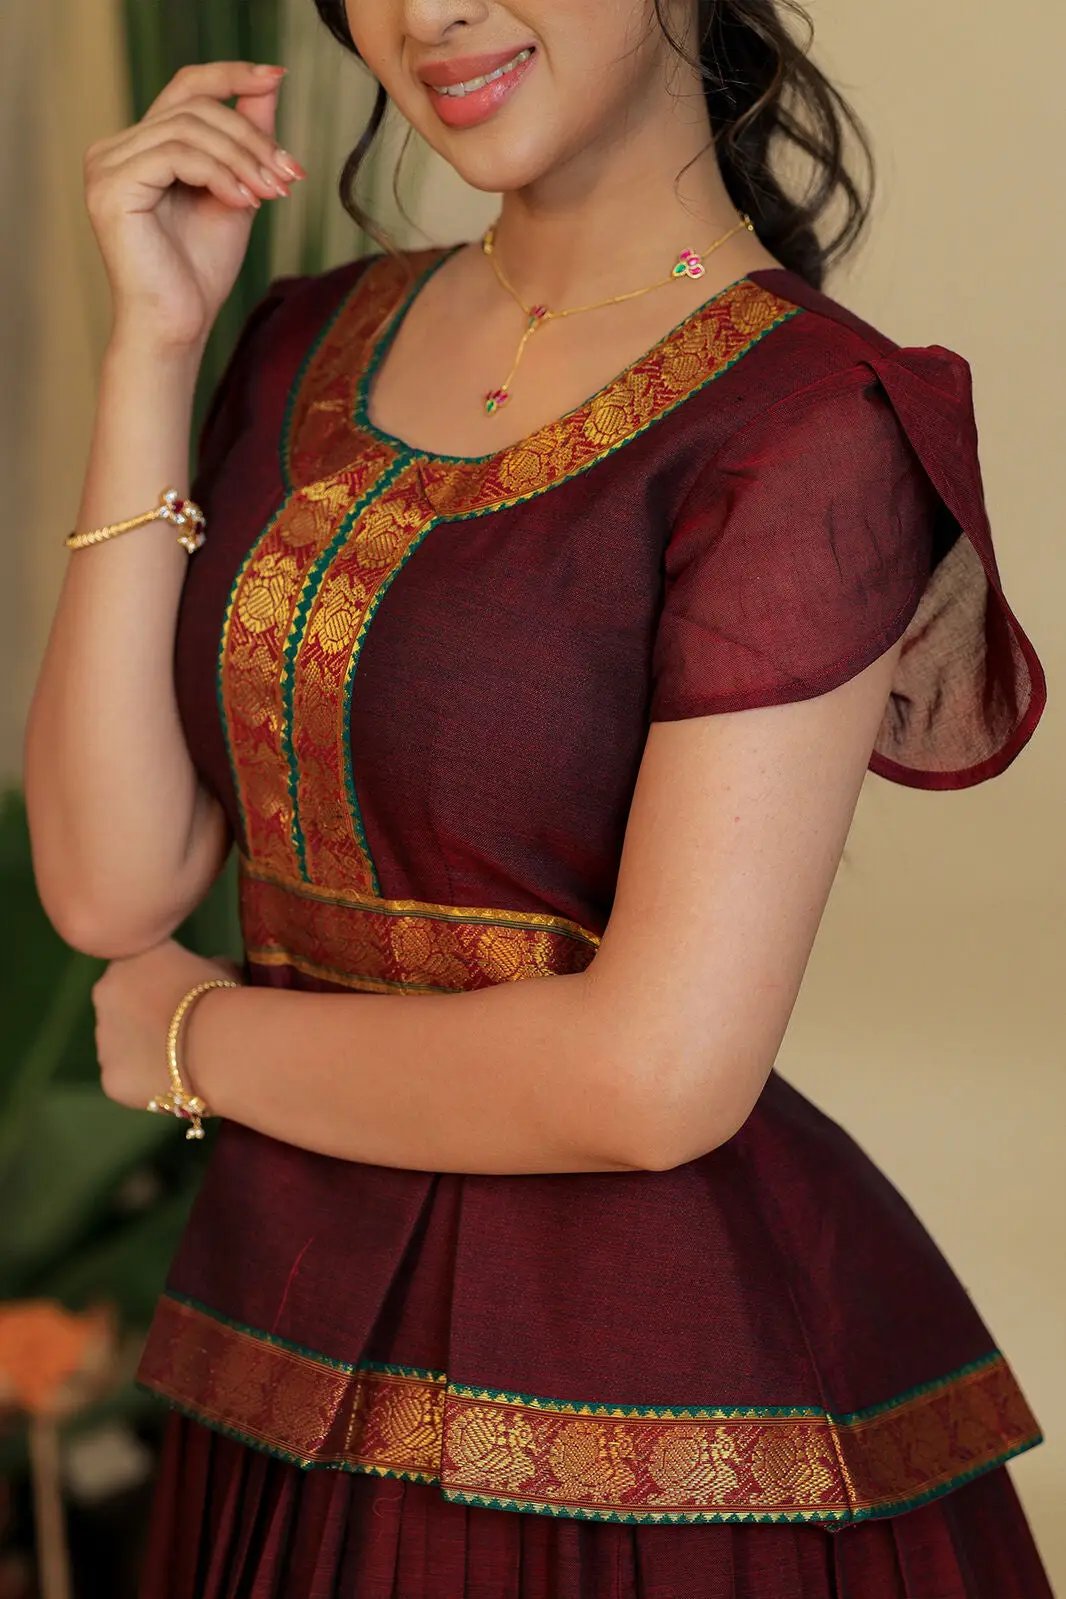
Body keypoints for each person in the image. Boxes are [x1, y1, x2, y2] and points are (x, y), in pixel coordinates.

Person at [22, 0, 1054, 1593]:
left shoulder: (803, 423)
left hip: (646, 1424)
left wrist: (190, 1038)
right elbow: (112, 888)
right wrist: (154, 348)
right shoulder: (301, 337)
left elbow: (655, 1076)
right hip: (280, 1341)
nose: (426, 14)